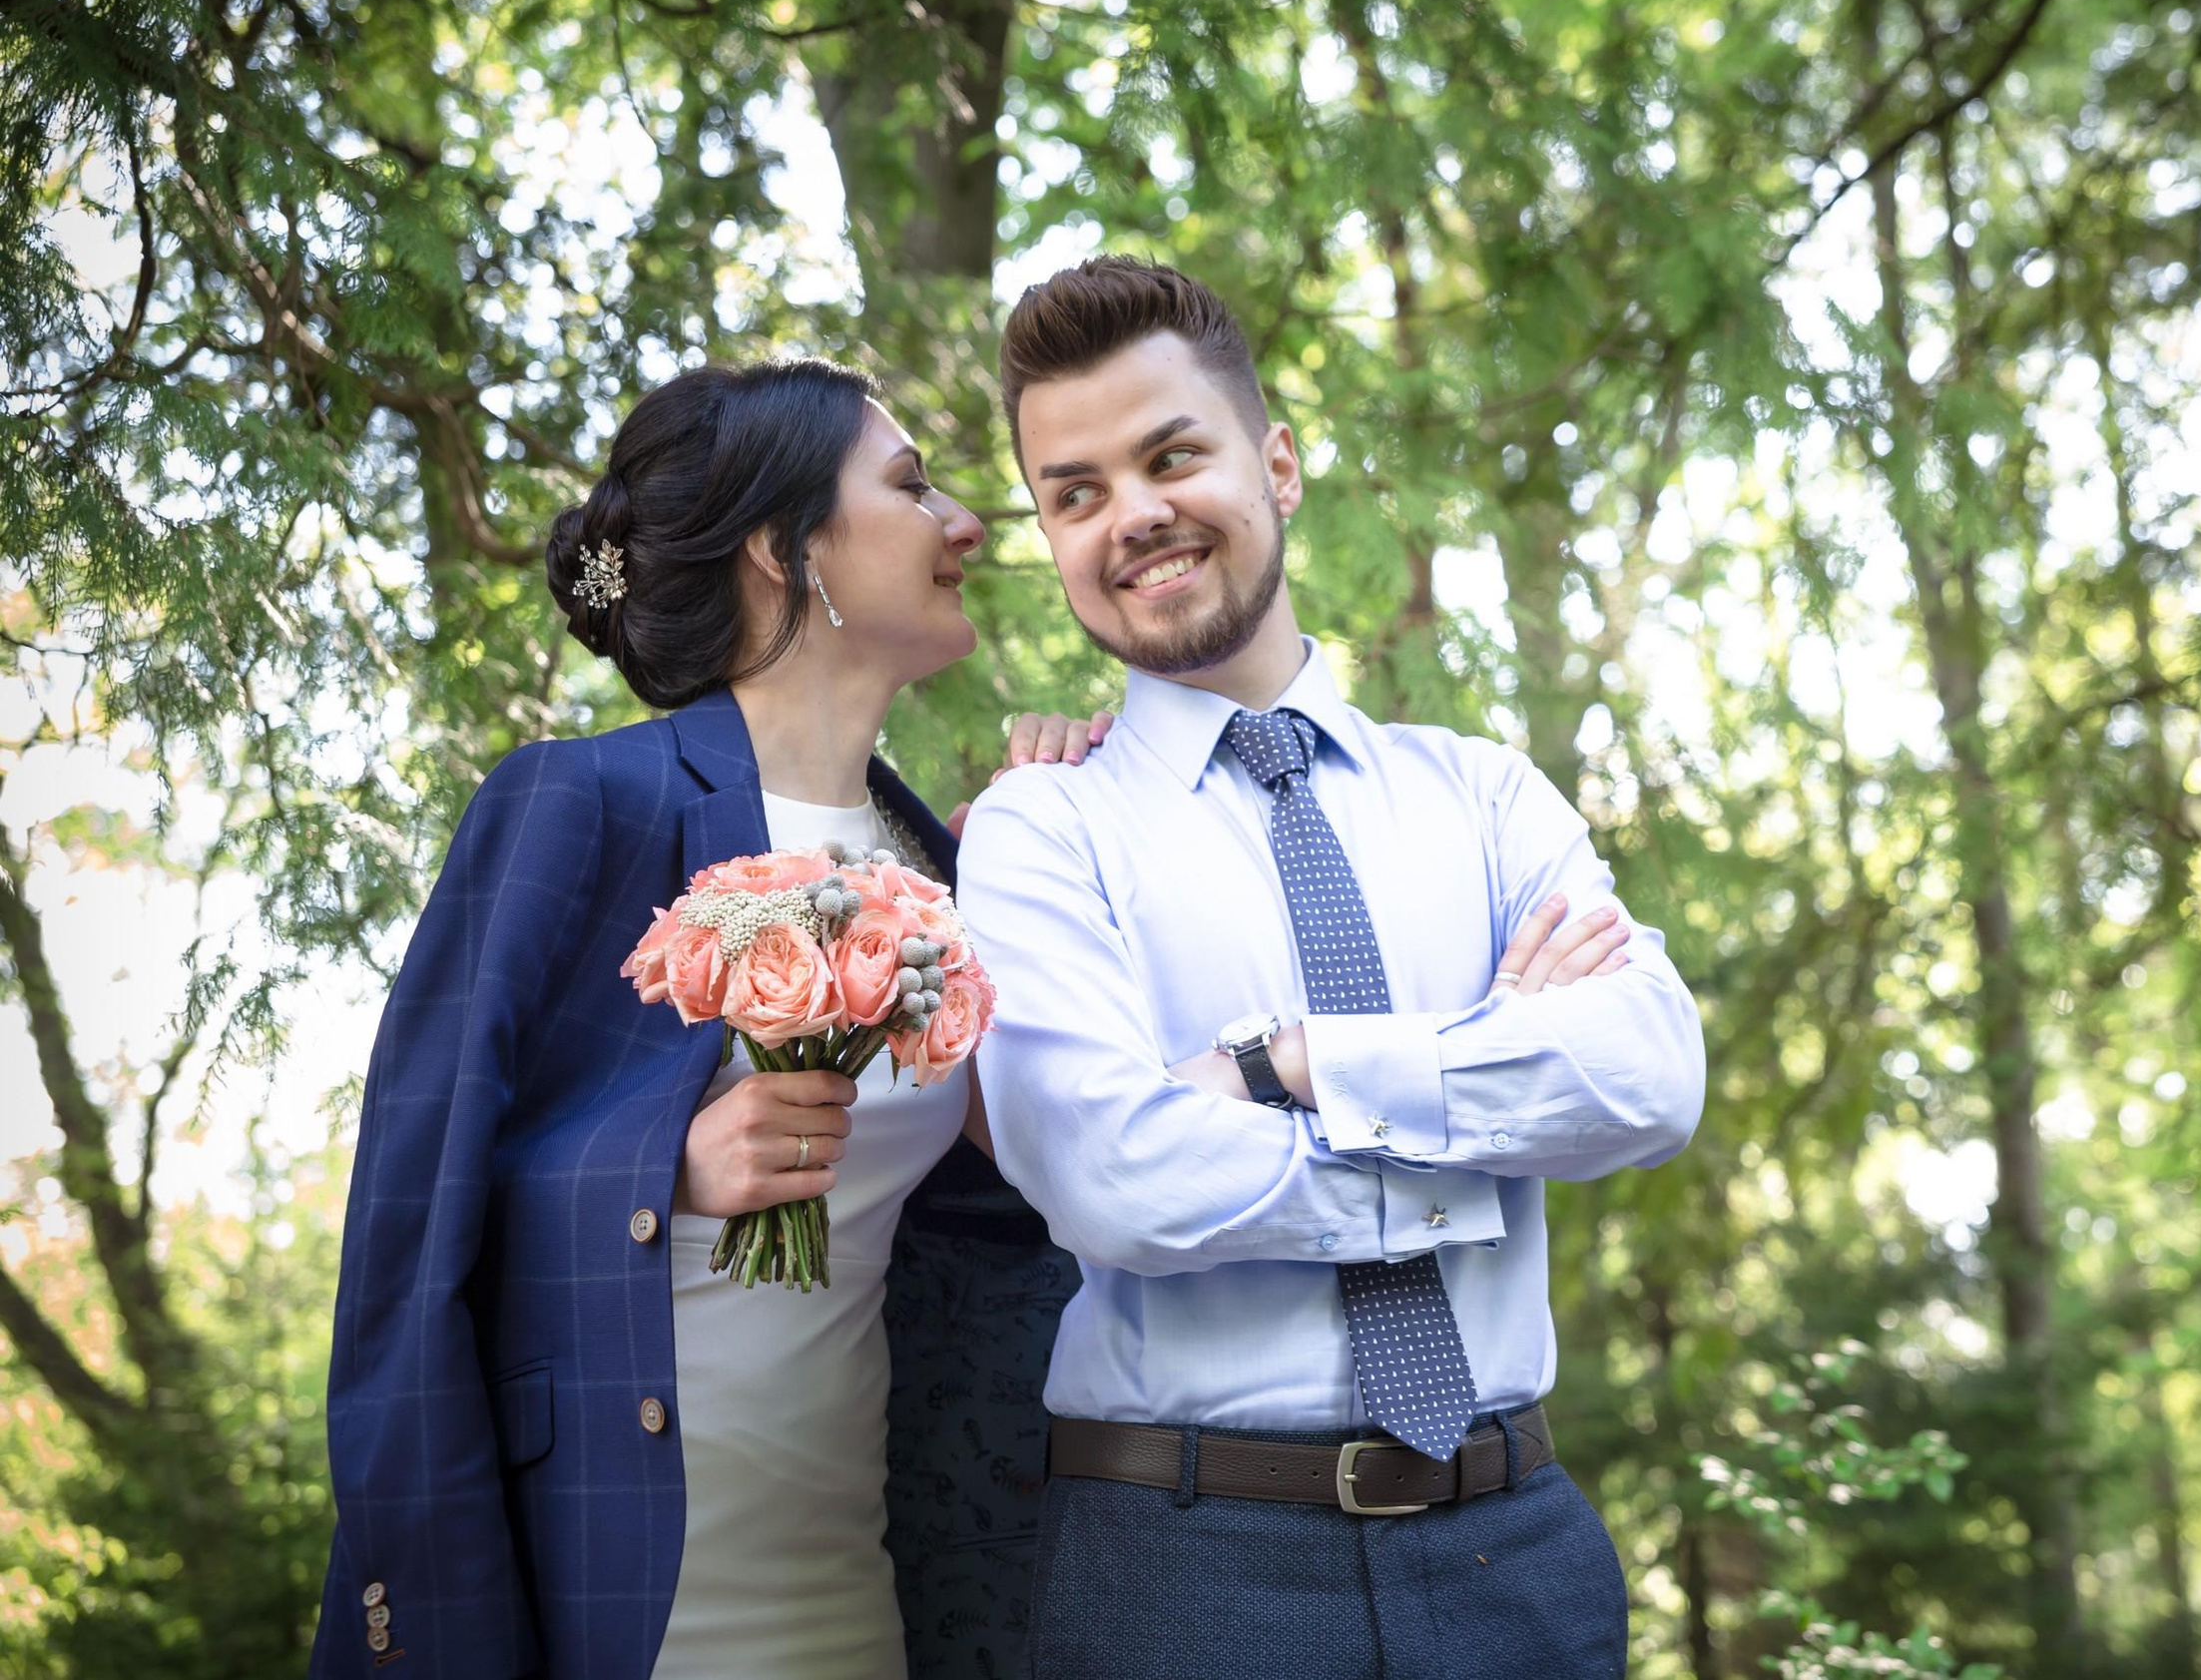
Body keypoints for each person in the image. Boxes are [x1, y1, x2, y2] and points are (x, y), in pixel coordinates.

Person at [957, 256, 1708, 1680]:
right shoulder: (1038, 829)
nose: (1135, 515)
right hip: (1182, 1574)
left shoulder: (1485, 794)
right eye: (1077, 493)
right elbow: (1109, 1177)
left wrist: (1287, 1064)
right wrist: (1477, 1116)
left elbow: (1650, 1078)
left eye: (1173, 456)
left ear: (1280, 464)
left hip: (1520, 1556)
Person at [311, 358, 1102, 1680]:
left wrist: (1063, 841)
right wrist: (661, 1168)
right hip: (608, 1603)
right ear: (784, 548)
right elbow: (408, 1234)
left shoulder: (946, 870)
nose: (966, 521)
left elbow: (1042, 1195)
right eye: (911, 486)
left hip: (861, 1595)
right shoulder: (578, 806)